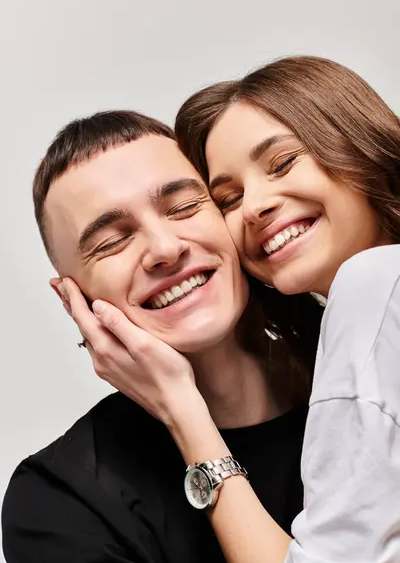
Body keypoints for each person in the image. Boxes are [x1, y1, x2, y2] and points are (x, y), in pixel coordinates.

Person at [2, 111, 323, 563]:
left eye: (183, 207)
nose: (166, 249)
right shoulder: (59, 500)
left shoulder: (368, 378)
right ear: (72, 297)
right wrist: (179, 405)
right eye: (112, 241)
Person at [172, 56, 400, 561]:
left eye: (281, 163)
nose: (254, 207)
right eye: (228, 199)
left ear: (357, 145)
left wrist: (183, 411)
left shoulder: (374, 283)